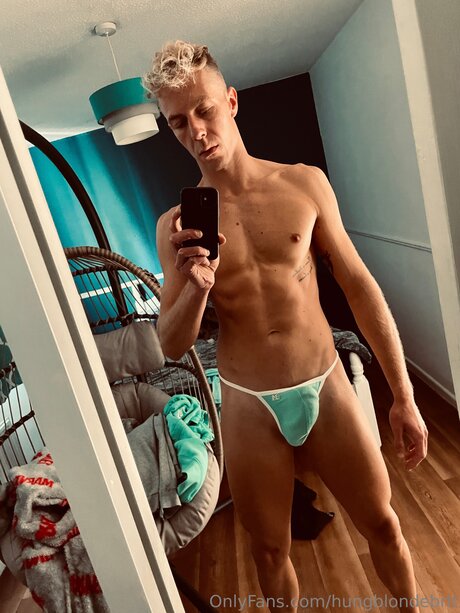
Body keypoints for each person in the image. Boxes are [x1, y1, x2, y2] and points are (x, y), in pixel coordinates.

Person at [143, 40, 428, 612]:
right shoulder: (175, 228)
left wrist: (403, 394)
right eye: (177, 122)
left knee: (383, 523)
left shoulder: (304, 184)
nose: (196, 131)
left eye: (204, 110)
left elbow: (359, 286)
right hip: (248, 402)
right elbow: (171, 344)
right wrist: (196, 285)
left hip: (325, 381)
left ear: (231, 101)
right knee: (270, 551)